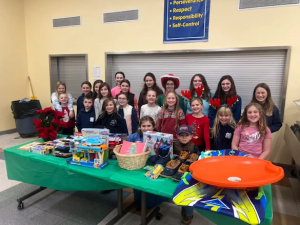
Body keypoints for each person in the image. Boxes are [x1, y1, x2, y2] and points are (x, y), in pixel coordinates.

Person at [127, 116, 167, 209]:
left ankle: (152, 203)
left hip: (153, 165)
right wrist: (134, 146)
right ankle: (138, 201)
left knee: (151, 185)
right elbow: (127, 145)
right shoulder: (135, 136)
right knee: (137, 183)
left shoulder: (159, 136)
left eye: (149, 126)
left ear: (153, 126)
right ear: (140, 126)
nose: (146, 128)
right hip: (138, 165)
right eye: (143, 126)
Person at [176, 125, 197, 225]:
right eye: (181, 135)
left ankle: (189, 213)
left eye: (186, 135)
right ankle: (184, 206)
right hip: (175, 172)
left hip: (188, 174)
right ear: (177, 136)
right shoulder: (174, 145)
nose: (184, 137)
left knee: (187, 191)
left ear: (191, 136)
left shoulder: (194, 146)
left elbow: (197, 160)